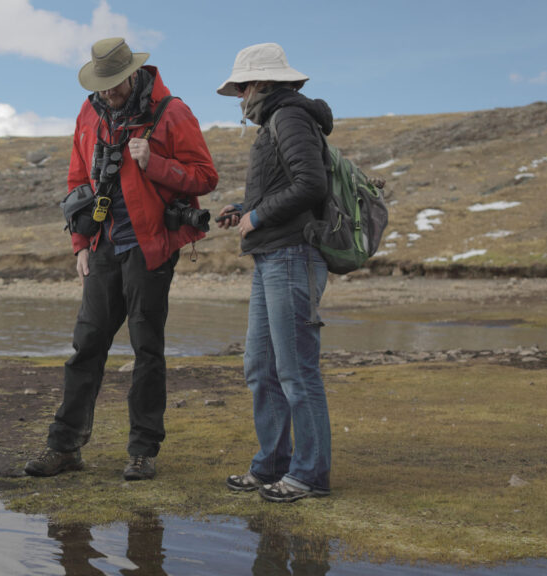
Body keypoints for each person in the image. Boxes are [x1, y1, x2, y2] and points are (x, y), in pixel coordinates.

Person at [25, 37, 218, 481]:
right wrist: (80, 245)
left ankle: (142, 452)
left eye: (114, 84)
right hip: (103, 247)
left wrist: (155, 163)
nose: (107, 92)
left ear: (132, 74)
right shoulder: (89, 111)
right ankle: (65, 447)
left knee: (147, 349)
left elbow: (206, 177)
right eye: (101, 84)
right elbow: (78, 180)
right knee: (86, 346)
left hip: (149, 248)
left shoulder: (172, 113)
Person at [214, 43, 333, 502]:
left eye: (243, 87)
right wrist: (245, 209)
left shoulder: (288, 117)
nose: (240, 96)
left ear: (261, 82)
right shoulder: (276, 120)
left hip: (293, 256)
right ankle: (271, 466)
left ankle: (310, 474)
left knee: (297, 371)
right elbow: (291, 185)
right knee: (261, 367)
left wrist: (258, 218)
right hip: (272, 257)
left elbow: (311, 185)